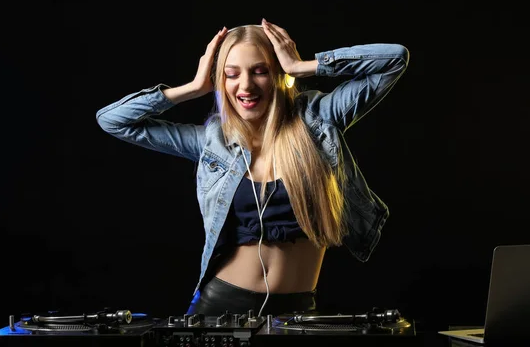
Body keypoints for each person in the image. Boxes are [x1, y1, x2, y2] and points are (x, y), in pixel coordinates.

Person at [96, 19, 410, 317]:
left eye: (259, 70)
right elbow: (113, 121)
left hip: (298, 310)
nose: (245, 85)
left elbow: (394, 59)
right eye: (231, 74)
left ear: (278, 73)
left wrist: (302, 66)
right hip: (220, 305)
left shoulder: (317, 120)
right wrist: (192, 87)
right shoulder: (212, 142)